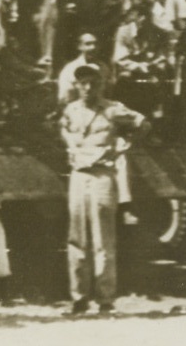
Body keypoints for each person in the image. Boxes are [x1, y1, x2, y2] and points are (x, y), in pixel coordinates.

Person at [60, 62, 150, 315]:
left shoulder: (112, 110)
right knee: (76, 239)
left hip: (102, 176)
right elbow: (64, 133)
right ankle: (79, 298)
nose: (87, 88)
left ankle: (105, 299)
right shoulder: (70, 110)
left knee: (103, 240)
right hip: (79, 176)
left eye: (92, 82)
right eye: (83, 83)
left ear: (100, 84)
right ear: (77, 85)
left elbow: (143, 124)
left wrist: (126, 144)